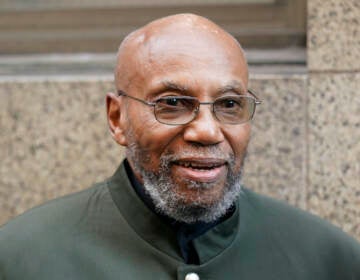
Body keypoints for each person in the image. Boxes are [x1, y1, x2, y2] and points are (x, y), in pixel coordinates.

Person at [0, 14, 359, 280]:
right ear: (116, 118)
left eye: (229, 104)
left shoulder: (329, 260)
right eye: (172, 103)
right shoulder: (20, 259)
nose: (206, 131)